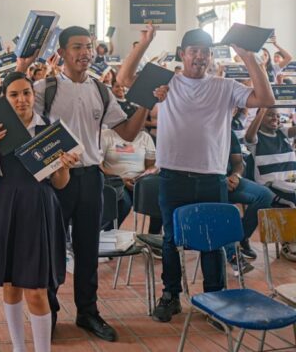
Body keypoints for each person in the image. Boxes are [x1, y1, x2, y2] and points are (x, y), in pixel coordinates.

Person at [117, 26, 274, 324]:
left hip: (212, 176)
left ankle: (215, 300)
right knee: (171, 239)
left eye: (205, 51)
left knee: (212, 241)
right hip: (173, 176)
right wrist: (145, 42)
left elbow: (264, 99)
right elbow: (125, 79)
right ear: (183, 54)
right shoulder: (167, 82)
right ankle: (171, 296)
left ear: (211, 56)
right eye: (194, 51)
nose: (200, 57)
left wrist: (249, 57)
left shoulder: (224, 87)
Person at [22, 26, 160, 342]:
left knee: (88, 249)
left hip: (91, 178)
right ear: (61, 53)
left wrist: (144, 105)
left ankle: (88, 312)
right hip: (56, 180)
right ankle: (50, 312)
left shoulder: (100, 90)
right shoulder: (45, 88)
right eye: (77, 47)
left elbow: (125, 132)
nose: (85, 52)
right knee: (53, 249)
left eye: (89, 46)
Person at [0, 72, 79, 352]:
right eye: (14, 95)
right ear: (5, 99)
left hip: (39, 210)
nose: (22, 100)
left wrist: (64, 165)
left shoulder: (50, 130)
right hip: (4, 207)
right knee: (10, 284)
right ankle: (19, 348)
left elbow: (59, 184)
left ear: (34, 95)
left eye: (27, 93)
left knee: (36, 288)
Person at [224, 130, 276, 274]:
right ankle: (233, 255)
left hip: (230, 180)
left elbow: (238, 163)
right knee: (225, 209)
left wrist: (236, 176)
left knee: (264, 195)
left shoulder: (228, 132)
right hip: (208, 183)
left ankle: (241, 237)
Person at [99, 126, 160, 232]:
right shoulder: (106, 135)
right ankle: (110, 233)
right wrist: (120, 179)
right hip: (115, 182)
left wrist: (144, 176)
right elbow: (99, 166)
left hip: (140, 182)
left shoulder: (145, 137)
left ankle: (153, 236)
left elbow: (152, 166)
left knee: (160, 199)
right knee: (123, 203)